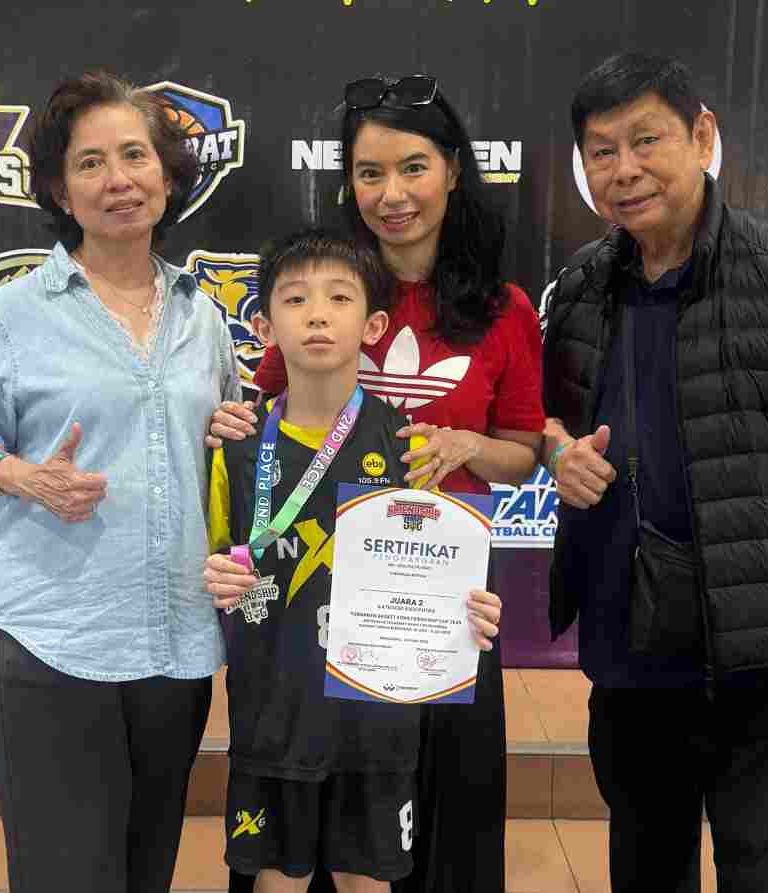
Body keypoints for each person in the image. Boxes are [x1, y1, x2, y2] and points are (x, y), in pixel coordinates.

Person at [540, 54, 768, 892]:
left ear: (702, 137)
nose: (625, 170)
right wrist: (558, 452)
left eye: (646, 141)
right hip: (633, 659)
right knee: (645, 873)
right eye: (602, 151)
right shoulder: (579, 287)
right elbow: (541, 423)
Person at [210, 74, 542, 893]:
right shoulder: (326, 288)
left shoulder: (503, 309)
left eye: (413, 167)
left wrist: (468, 443)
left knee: (436, 828)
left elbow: (524, 450)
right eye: (369, 173)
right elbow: (272, 421)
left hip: (440, 599)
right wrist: (231, 423)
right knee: (318, 827)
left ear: (454, 170)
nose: (392, 194)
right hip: (319, 602)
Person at [0, 71, 240, 893]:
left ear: (167, 176)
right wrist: (22, 475)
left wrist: (232, 435)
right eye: (91, 162)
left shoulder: (202, 316)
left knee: (145, 869)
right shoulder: (19, 311)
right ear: (61, 191)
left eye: (135, 155)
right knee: (66, 875)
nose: (118, 180)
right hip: (49, 632)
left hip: (173, 638)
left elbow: (223, 445)